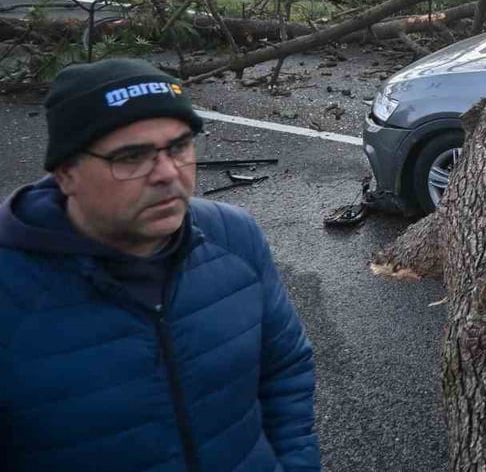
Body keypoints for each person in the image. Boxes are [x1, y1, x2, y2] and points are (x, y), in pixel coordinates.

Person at [0, 58, 320, 471]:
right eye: (131, 157)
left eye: (179, 146)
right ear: (67, 173)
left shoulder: (235, 237)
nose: (168, 174)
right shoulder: (10, 286)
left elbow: (285, 369)